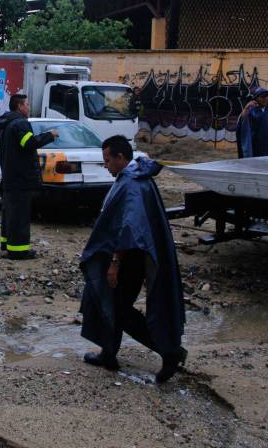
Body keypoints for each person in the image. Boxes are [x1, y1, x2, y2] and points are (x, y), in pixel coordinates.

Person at [78, 135, 186, 383]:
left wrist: (115, 264)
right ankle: (109, 353)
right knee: (114, 305)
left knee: (120, 309)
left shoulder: (133, 184)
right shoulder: (133, 178)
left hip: (129, 259)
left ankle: (169, 352)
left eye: (107, 160)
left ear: (120, 157)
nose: (105, 165)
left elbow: (130, 228)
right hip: (131, 255)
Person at [0, 94, 58, 260]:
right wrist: (49, 135)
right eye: (27, 104)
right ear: (19, 106)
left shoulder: (3, 125)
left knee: (9, 214)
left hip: (8, 177)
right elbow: (28, 143)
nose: (29, 108)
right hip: (20, 179)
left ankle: (6, 247)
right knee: (20, 216)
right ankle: (19, 251)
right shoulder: (20, 123)